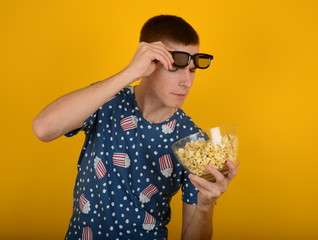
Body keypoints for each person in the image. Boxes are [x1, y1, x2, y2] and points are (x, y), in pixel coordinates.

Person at [33, 14, 238, 240]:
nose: (187, 82)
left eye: (191, 70)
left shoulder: (194, 144)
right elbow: (44, 128)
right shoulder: (105, 100)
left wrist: (205, 206)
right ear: (147, 61)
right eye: (175, 68)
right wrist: (131, 72)